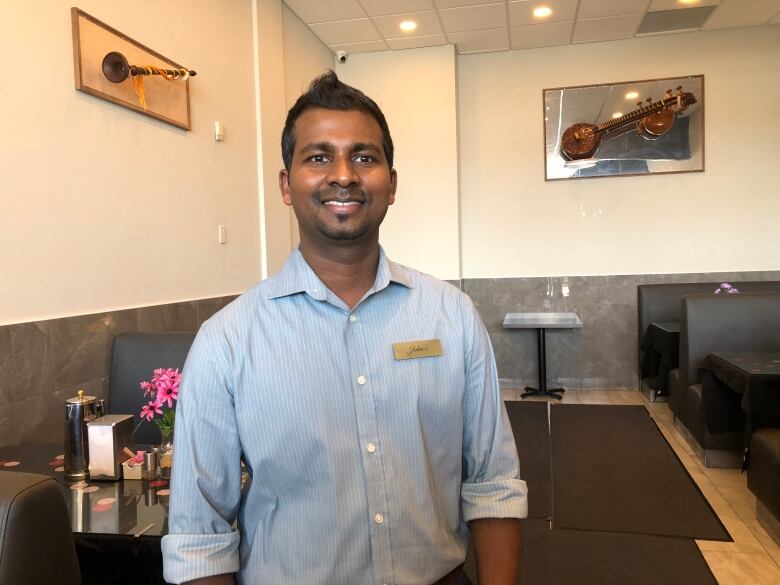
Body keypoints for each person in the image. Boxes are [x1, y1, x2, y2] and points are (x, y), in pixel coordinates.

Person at [161, 71, 527, 585]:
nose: (343, 175)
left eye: (364, 156)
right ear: (286, 186)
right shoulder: (227, 341)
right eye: (318, 157)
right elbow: (200, 538)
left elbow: (493, 483)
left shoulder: (453, 317)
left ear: (391, 184)